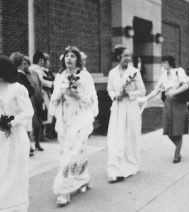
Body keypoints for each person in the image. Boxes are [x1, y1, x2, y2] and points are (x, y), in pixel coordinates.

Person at [0, 55, 33, 212]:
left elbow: (28, 111)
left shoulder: (18, 89)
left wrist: (12, 122)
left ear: (0, 69)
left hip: (14, 138)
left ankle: (12, 206)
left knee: (11, 173)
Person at [49, 46, 98, 206]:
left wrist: (77, 94)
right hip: (65, 119)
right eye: (67, 56)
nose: (69, 58)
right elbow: (54, 98)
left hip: (80, 119)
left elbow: (90, 99)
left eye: (72, 56)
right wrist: (61, 94)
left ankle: (64, 191)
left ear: (78, 59)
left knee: (74, 152)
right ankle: (83, 179)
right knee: (67, 153)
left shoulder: (84, 76)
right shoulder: (60, 76)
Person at [107, 45, 146, 182]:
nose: (128, 58)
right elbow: (110, 89)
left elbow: (142, 91)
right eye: (125, 56)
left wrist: (128, 94)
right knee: (117, 137)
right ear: (119, 57)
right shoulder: (112, 72)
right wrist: (115, 96)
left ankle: (130, 164)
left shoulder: (135, 72)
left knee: (130, 136)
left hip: (130, 108)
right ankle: (116, 169)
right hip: (118, 109)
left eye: (129, 56)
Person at [144, 56, 189, 163]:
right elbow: (156, 90)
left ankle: (177, 154)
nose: (162, 65)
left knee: (178, 129)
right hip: (168, 104)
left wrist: (174, 92)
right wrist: (145, 98)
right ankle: (178, 148)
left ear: (169, 63)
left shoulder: (179, 71)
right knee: (168, 129)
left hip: (179, 103)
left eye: (164, 62)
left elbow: (186, 85)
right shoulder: (163, 76)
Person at [10, 52, 35, 157]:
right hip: (22, 106)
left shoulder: (9, 75)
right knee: (24, 128)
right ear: (21, 64)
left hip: (13, 106)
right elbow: (30, 90)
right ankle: (25, 148)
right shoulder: (21, 75)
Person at [24, 56, 44, 156]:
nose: (25, 66)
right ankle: (29, 145)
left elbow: (39, 85)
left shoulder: (34, 73)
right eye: (23, 63)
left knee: (38, 123)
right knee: (30, 123)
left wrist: (41, 98)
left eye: (26, 63)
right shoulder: (21, 75)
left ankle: (37, 142)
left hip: (37, 100)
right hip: (29, 101)